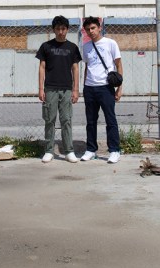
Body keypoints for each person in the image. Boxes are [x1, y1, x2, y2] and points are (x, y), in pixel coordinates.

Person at [35, 15, 82, 163]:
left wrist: (76, 90)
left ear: (67, 29)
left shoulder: (72, 48)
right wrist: (40, 88)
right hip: (50, 89)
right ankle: (49, 150)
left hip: (67, 89)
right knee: (49, 119)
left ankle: (69, 151)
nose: (61, 31)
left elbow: (75, 69)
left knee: (66, 120)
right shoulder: (46, 46)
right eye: (58, 29)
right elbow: (42, 67)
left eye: (63, 28)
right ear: (54, 30)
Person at [80, 16, 124, 163]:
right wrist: (84, 86)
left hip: (106, 87)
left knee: (110, 120)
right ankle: (91, 149)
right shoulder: (86, 47)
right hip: (90, 88)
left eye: (93, 28)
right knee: (90, 121)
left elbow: (118, 66)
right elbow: (87, 67)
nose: (90, 31)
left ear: (99, 28)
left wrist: (119, 88)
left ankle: (114, 150)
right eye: (87, 30)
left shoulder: (110, 43)